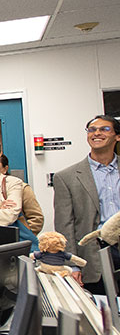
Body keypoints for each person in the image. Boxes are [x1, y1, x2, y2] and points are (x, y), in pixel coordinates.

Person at [53, 114, 120, 292]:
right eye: (92, 130)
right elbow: (64, 225)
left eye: (104, 129)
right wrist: (72, 265)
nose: (96, 133)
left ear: (117, 136)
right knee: (102, 314)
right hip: (95, 257)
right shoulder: (66, 177)